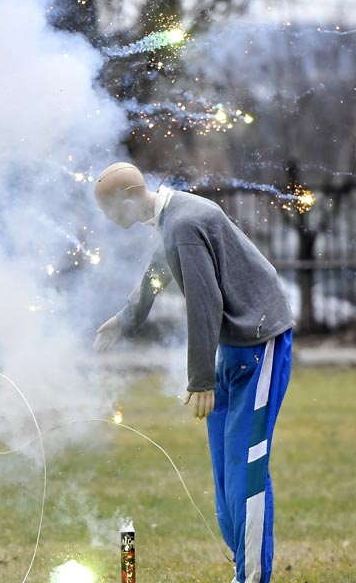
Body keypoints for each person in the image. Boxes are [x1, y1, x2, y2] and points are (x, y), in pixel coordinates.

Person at [92, 162, 293, 583]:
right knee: (226, 465)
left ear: (128, 198)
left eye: (109, 208)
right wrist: (125, 321)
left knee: (246, 464)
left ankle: (252, 576)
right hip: (234, 347)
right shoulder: (173, 218)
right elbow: (157, 274)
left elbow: (205, 303)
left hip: (260, 342)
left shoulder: (182, 224)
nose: (108, 218)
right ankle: (242, 566)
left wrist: (200, 379)